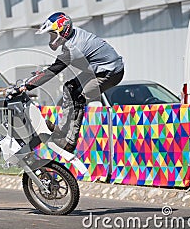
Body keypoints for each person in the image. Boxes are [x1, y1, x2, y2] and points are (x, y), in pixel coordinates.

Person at [20, 12, 124, 153]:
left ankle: (70, 142)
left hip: (111, 71)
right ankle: (62, 130)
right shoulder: (73, 36)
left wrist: (27, 85)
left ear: (63, 32)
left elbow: (54, 70)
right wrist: (38, 76)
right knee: (69, 88)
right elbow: (55, 66)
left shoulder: (73, 48)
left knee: (78, 97)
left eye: (52, 34)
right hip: (98, 68)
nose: (51, 38)